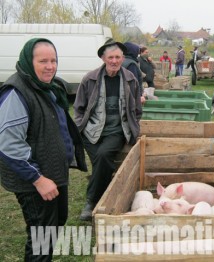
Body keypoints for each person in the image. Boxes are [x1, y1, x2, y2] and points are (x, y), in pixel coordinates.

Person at [0, 38, 87, 261]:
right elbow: (8, 144)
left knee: (54, 226)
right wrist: (38, 179)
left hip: (54, 172)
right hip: (35, 181)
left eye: (54, 60)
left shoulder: (48, 87)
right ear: (29, 61)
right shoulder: (16, 93)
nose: (50, 66)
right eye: (43, 61)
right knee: (41, 236)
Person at [74, 38, 142, 221]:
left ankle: (91, 202)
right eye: (111, 57)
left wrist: (133, 125)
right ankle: (108, 193)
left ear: (122, 58)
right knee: (102, 164)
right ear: (103, 58)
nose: (114, 61)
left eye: (118, 57)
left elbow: (136, 109)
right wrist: (81, 125)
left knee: (103, 156)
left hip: (116, 131)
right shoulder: (90, 79)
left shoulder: (130, 79)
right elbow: (79, 107)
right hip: (91, 131)